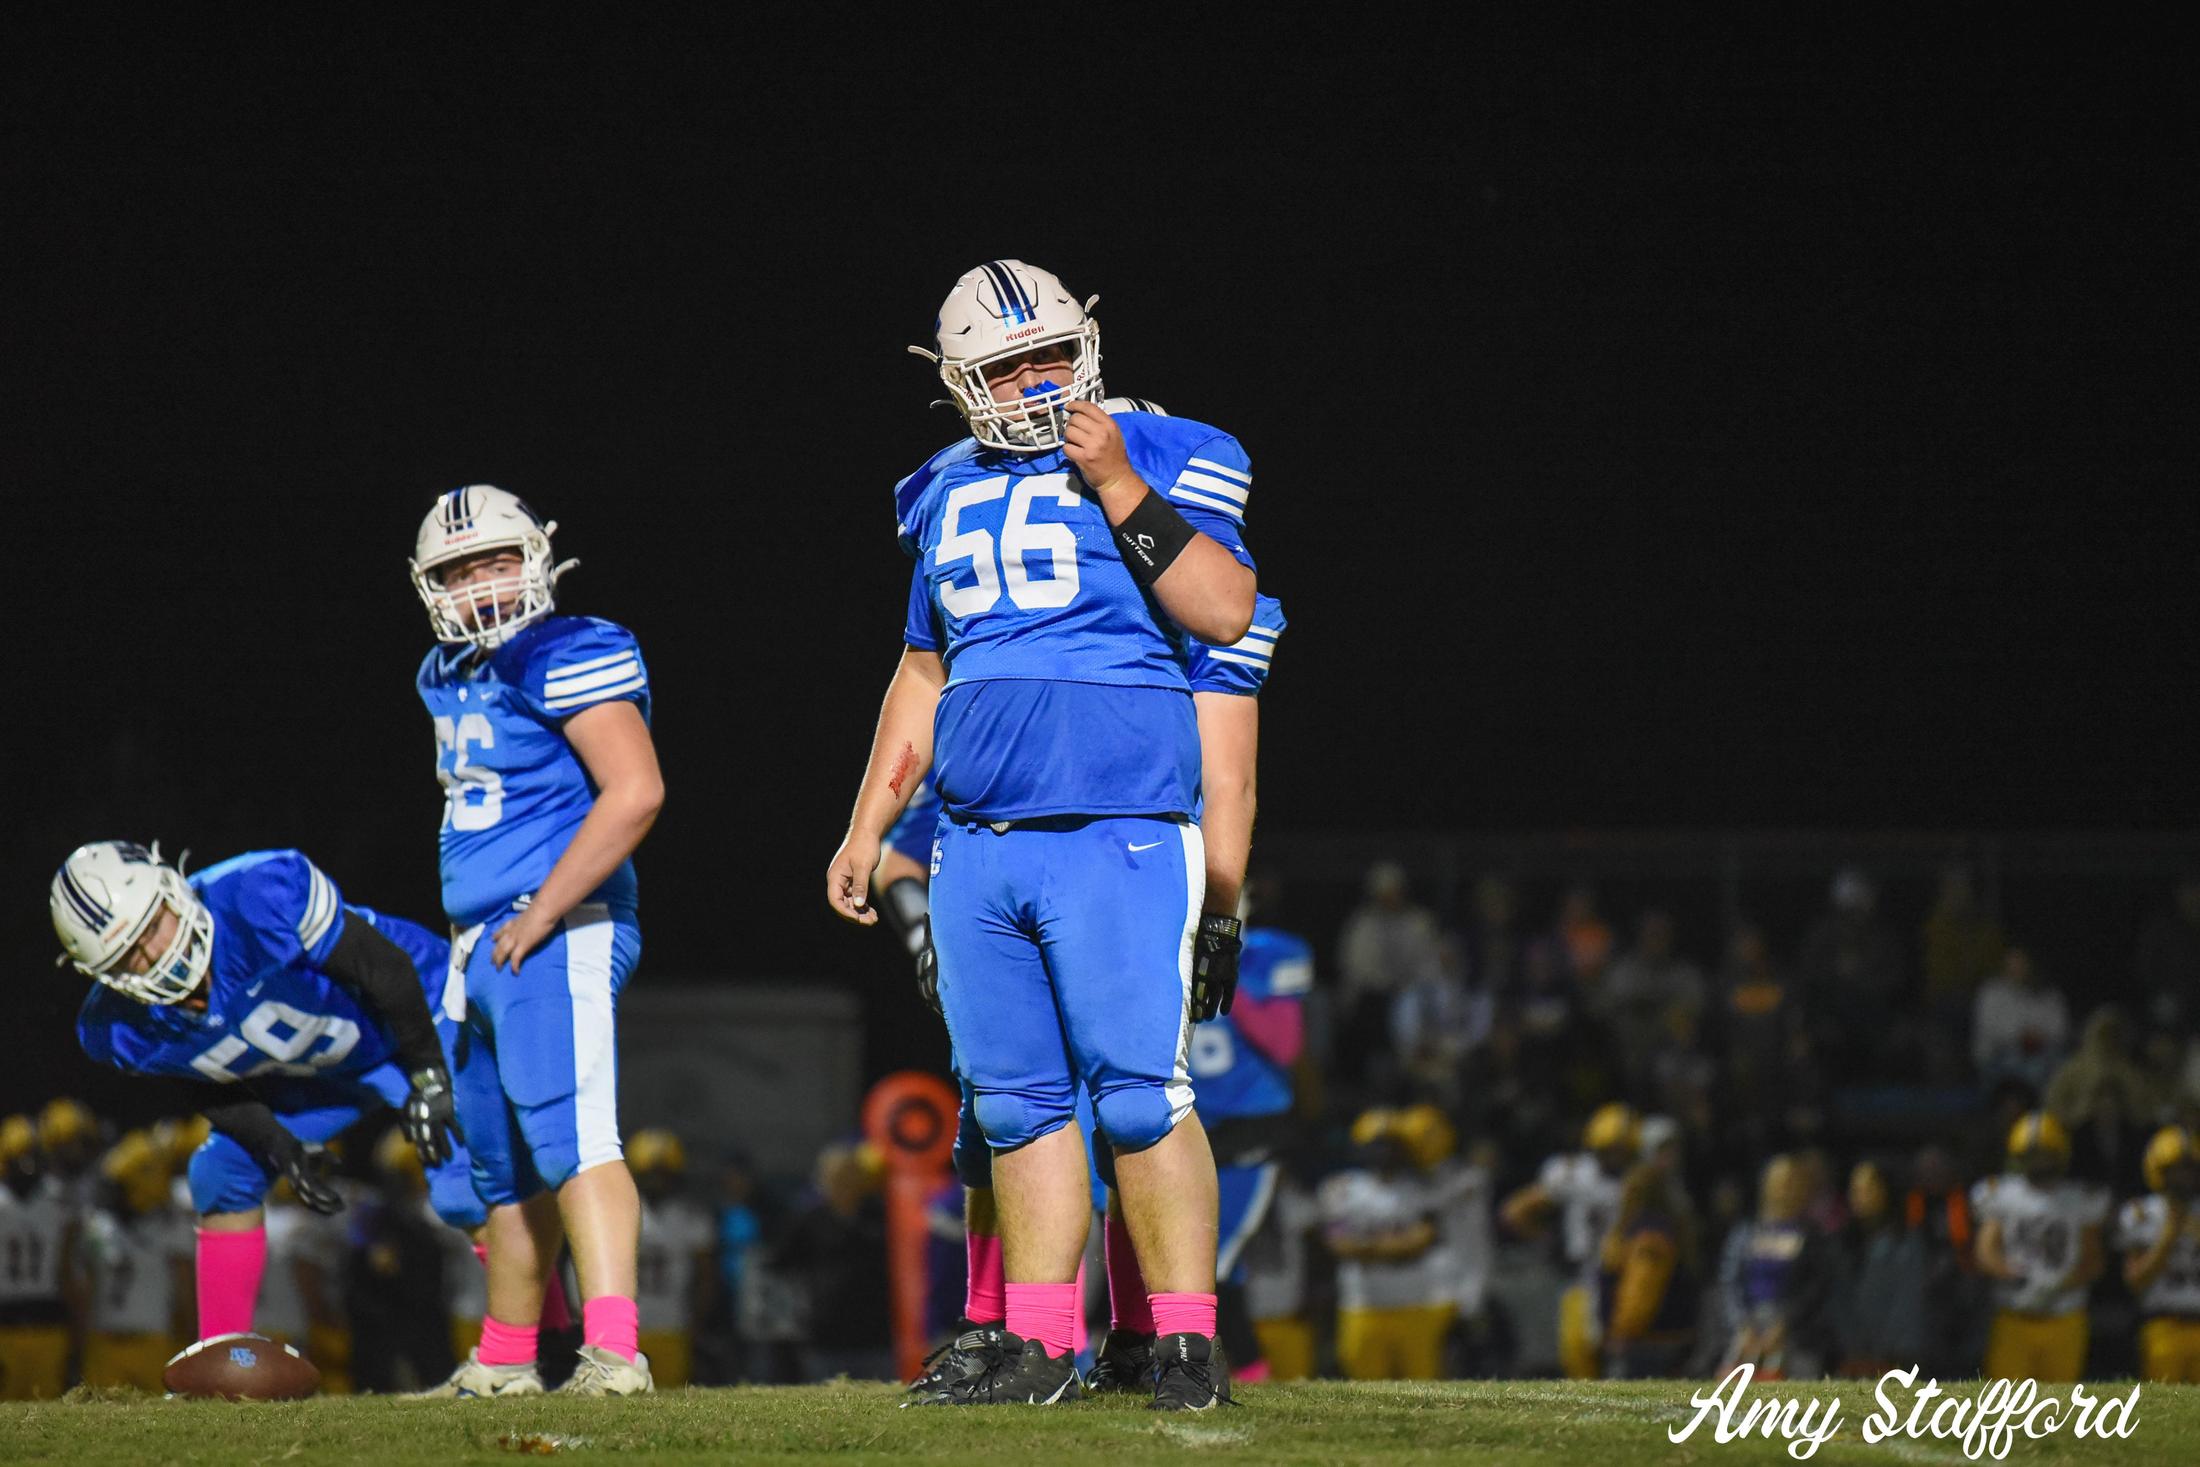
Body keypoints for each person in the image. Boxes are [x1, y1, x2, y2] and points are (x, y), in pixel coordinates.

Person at [827, 261, 1256, 1410]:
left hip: (1115, 822)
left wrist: (1117, 481)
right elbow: (922, 670)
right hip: (976, 833)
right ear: (960, 382)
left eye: (1049, 357)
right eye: (1005, 366)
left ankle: (1181, 1343)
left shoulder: (1173, 449)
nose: (1032, 381)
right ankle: (1038, 1343)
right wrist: (870, 822)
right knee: (1012, 1102)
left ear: (1088, 347)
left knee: (1137, 1092)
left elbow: (1224, 611)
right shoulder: (936, 486)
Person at [409, 484, 665, 1397]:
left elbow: (634, 790)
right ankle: (508, 1358)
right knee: (502, 1166)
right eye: (457, 570)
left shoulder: (567, 648)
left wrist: (545, 909)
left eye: (496, 561)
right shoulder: (445, 671)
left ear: (539, 560)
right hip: (482, 939)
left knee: (573, 1136)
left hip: (554, 923)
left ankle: (614, 1351)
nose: (480, 585)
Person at [53, 841, 474, 1365]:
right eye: (128, 956)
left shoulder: (258, 894)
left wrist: (430, 1075)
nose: (156, 955)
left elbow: (383, 968)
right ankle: (223, 1361)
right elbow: (203, 1080)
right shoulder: (114, 1027)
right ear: (106, 975)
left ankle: (524, 1348)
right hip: (322, 1070)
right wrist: (280, 1146)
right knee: (223, 1171)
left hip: (413, 1016)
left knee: (469, 1177)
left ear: (171, 888)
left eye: (152, 926)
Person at [1500, 1102, 1639, 1379]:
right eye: (1609, 1149)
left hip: (1626, 1278)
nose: (1615, 1157)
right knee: (1576, 1356)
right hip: (1582, 1276)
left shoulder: (1639, 1182)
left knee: (1622, 1359)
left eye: (1621, 1150)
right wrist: (1544, 1237)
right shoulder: (1575, 1174)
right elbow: (1514, 1212)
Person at [1973, 1112, 2107, 1383]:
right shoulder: (2002, 1193)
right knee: (2005, 1405)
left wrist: (2059, 1284)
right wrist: (2009, 1273)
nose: (2039, 1162)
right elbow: (1985, 1250)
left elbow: (2093, 1261)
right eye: (2032, 1154)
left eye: (2045, 1154)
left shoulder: (2079, 1198)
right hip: (2015, 1315)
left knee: (2059, 1407)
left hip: (2065, 1315)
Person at [77, 1130, 195, 1389]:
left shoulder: (171, 1228)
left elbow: (185, 1294)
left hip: (153, 1341)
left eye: (119, 1187)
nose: (112, 1195)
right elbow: (85, 1289)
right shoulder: (99, 1226)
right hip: (104, 1341)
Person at [1716, 1154, 1840, 1380]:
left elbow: (1816, 1288)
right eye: (1780, 1181)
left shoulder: (1813, 1237)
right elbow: (1730, 1281)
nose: (1786, 1189)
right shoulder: (1746, 1232)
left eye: (1793, 1182)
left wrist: (1784, 1325)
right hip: (1748, 1330)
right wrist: (1743, 1326)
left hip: (1795, 1336)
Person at [0, 1113, 82, 1400]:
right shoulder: (57, 1199)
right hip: (40, 1319)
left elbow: (65, 1268)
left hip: (25, 1319)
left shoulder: (56, 1199)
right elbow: (66, 1271)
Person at [630, 1130, 717, 1388]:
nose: (656, 1183)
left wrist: (698, 1321)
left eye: (662, 1176)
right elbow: (706, 1278)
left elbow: (705, 1278)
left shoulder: (690, 1217)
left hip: (669, 1324)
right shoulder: (690, 1217)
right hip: (636, 1324)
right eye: (651, 1176)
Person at [2118, 1125, 2200, 1382]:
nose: (2184, 1177)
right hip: (2162, 1324)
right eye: (2176, 1169)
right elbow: (2136, 1280)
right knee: (2164, 1413)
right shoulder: (2141, 1213)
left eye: (2189, 1168)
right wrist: (2168, 1238)